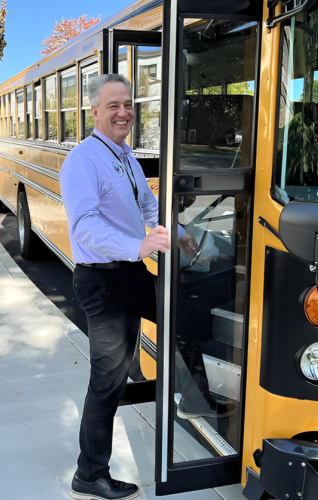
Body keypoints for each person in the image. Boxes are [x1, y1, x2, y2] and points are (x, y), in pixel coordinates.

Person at [60, 73, 196, 500]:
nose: (123, 112)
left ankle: (196, 402)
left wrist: (176, 231)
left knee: (188, 317)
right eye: (113, 105)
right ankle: (90, 474)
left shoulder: (125, 156)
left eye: (128, 105)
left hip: (132, 273)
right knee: (109, 380)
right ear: (95, 112)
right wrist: (137, 245)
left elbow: (149, 206)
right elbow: (84, 228)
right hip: (102, 280)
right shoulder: (82, 161)